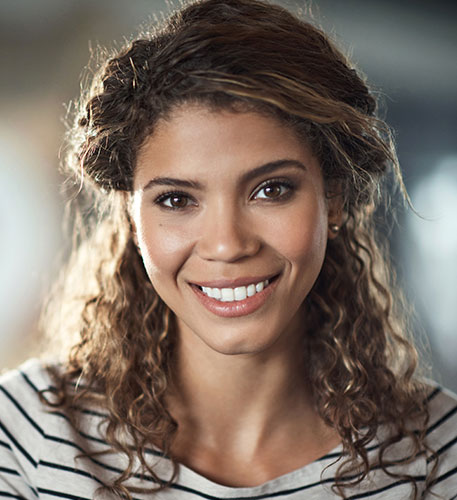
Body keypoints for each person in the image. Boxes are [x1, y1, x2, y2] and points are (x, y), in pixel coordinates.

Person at [1, 0, 456, 498]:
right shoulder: (26, 440)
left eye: (271, 190)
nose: (227, 244)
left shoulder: (440, 457)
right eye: (176, 199)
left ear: (334, 200)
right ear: (131, 219)